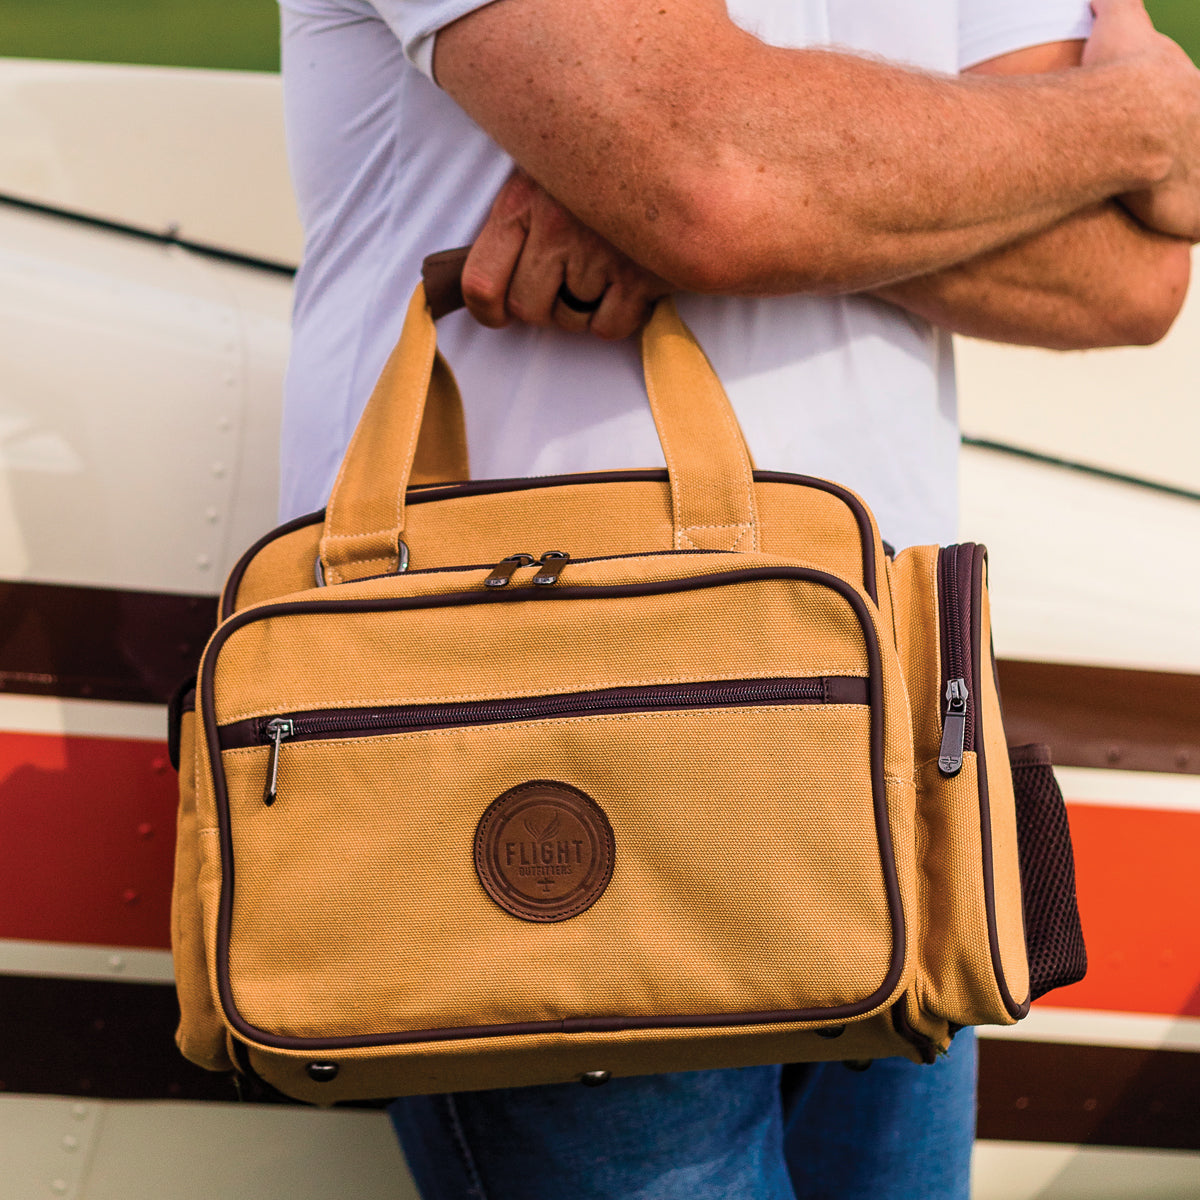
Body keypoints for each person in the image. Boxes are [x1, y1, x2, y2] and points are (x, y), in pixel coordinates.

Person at [275, 0, 1197, 1196]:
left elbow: (1126, 274)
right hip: (534, 748)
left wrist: (774, 185)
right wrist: (1134, 115)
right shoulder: (1119, 111)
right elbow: (710, 181)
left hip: (893, 747)